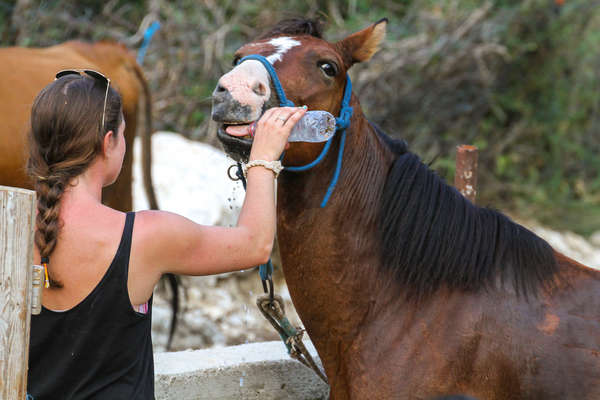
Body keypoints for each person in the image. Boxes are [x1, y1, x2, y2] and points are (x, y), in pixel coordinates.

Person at [26, 69, 306, 399]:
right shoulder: (145, 237)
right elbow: (254, 245)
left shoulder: (14, 229)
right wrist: (263, 158)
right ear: (108, 142)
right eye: (123, 134)